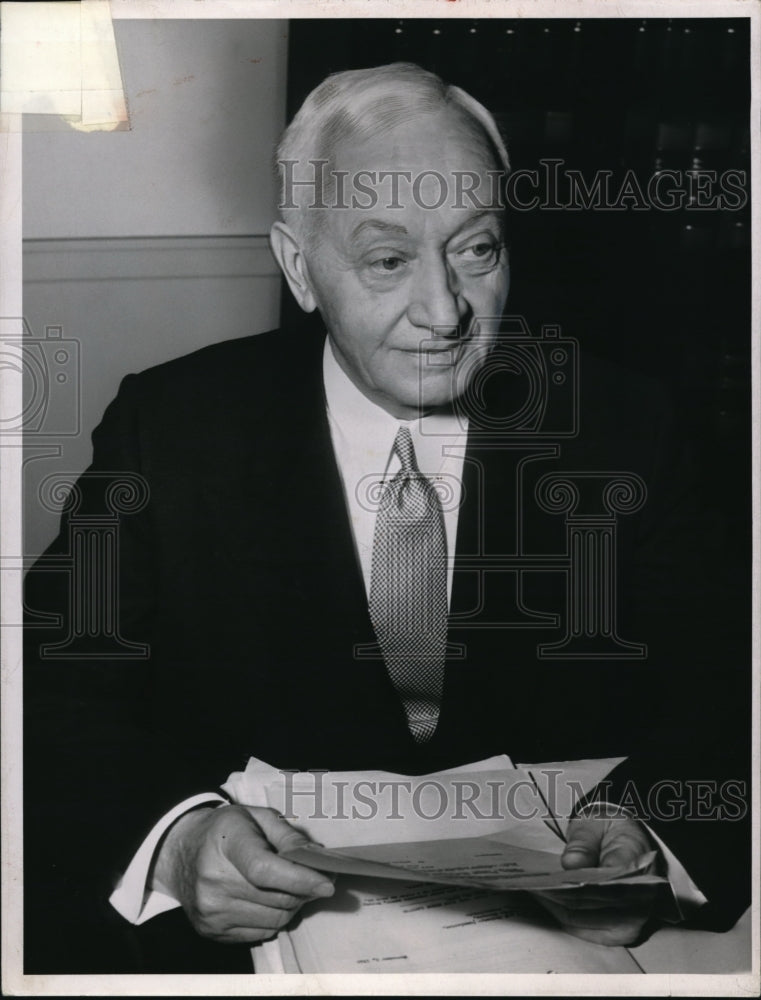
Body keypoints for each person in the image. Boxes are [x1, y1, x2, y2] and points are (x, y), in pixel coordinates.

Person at [23, 63, 750, 974]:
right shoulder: (171, 427)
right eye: (387, 260)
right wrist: (176, 840)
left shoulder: (627, 424)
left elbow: (730, 680)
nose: (445, 313)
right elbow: (50, 684)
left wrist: (650, 828)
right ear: (298, 266)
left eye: (476, 250)